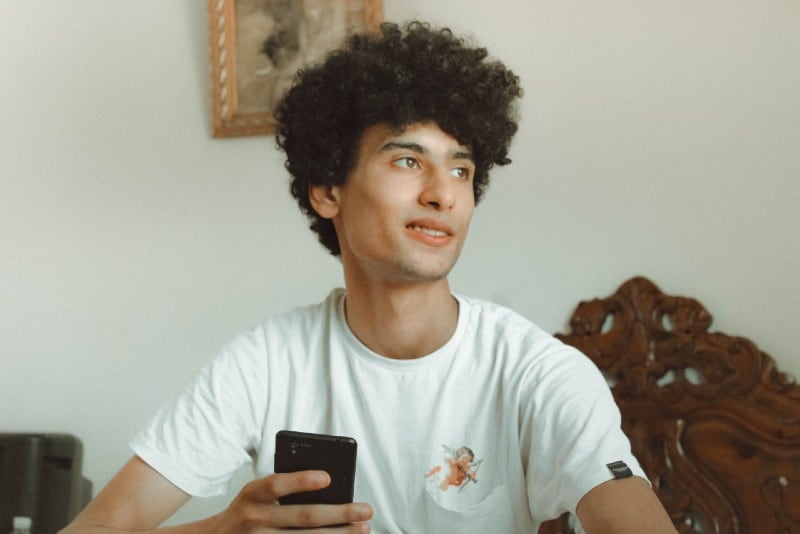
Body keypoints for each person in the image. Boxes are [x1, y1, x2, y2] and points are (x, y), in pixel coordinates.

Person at [62, 21, 676, 533]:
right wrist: (220, 530)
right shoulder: (263, 365)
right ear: (329, 190)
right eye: (408, 160)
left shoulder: (539, 373)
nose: (443, 195)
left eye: (461, 171)